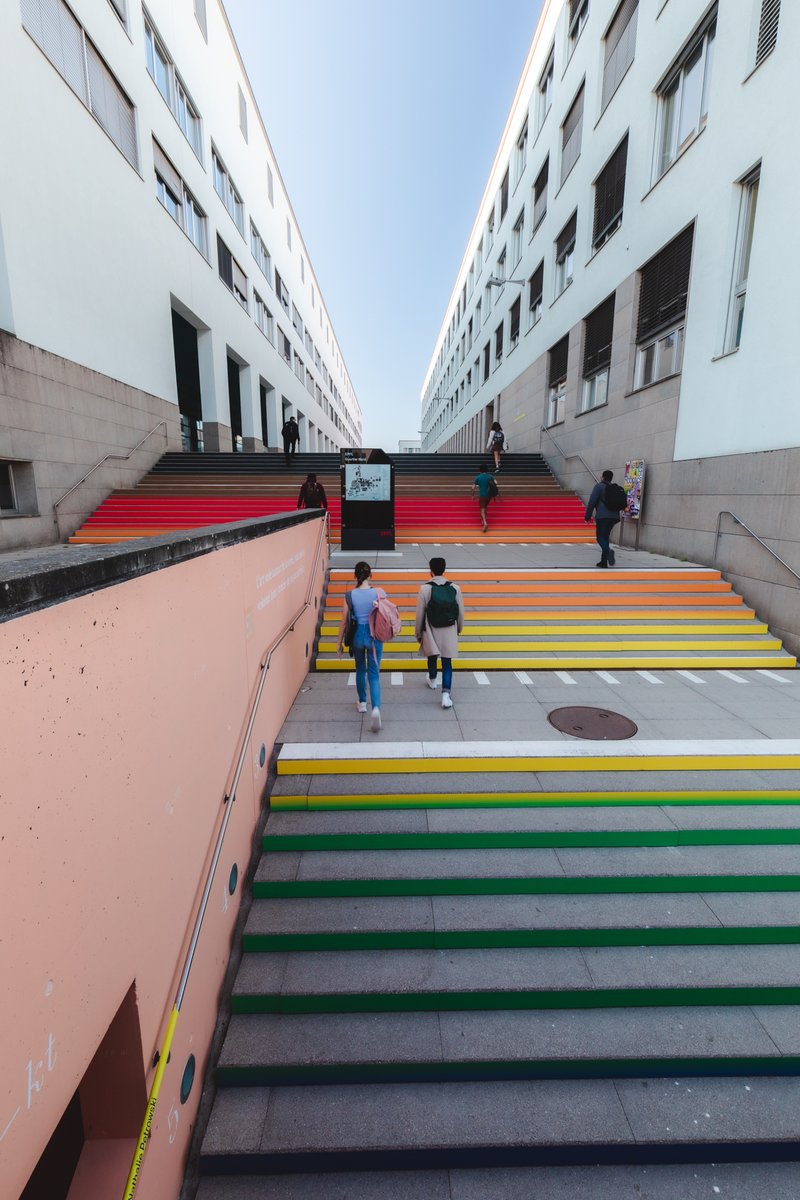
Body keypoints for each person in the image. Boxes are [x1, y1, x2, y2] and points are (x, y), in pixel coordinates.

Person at [336, 561, 384, 731]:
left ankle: (362, 702)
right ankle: (376, 708)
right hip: (374, 637)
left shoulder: (350, 595)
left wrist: (339, 643)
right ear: (371, 575)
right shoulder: (379, 592)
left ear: (355, 576)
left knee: (360, 669)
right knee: (374, 674)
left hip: (357, 636)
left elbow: (343, 621)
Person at [415, 557, 465, 710]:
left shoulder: (424, 589)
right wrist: (458, 629)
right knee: (447, 662)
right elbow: (461, 613)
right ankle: (445, 695)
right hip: (449, 627)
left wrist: (418, 633)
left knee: (432, 655)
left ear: (430, 570)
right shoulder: (455, 588)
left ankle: (433, 679)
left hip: (431, 628)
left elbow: (419, 614)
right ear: (444, 569)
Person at [585, 469, 622, 568]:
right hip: (614, 517)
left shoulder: (599, 486)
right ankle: (603, 562)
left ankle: (609, 551)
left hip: (603, 516)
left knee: (600, 537)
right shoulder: (614, 488)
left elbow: (592, 502)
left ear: (603, 477)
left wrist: (587, 516)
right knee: (605, 537)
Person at [472, 462, 497, 534]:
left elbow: (473, 487)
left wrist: (472, 495)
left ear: (480, 470)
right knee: (485, 507)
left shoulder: (478, 477)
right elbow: (496, 482)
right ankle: (483, 520)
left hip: (482, 495)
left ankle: (485, 522)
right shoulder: (490, 476)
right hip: (489, 496)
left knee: (482, 509)